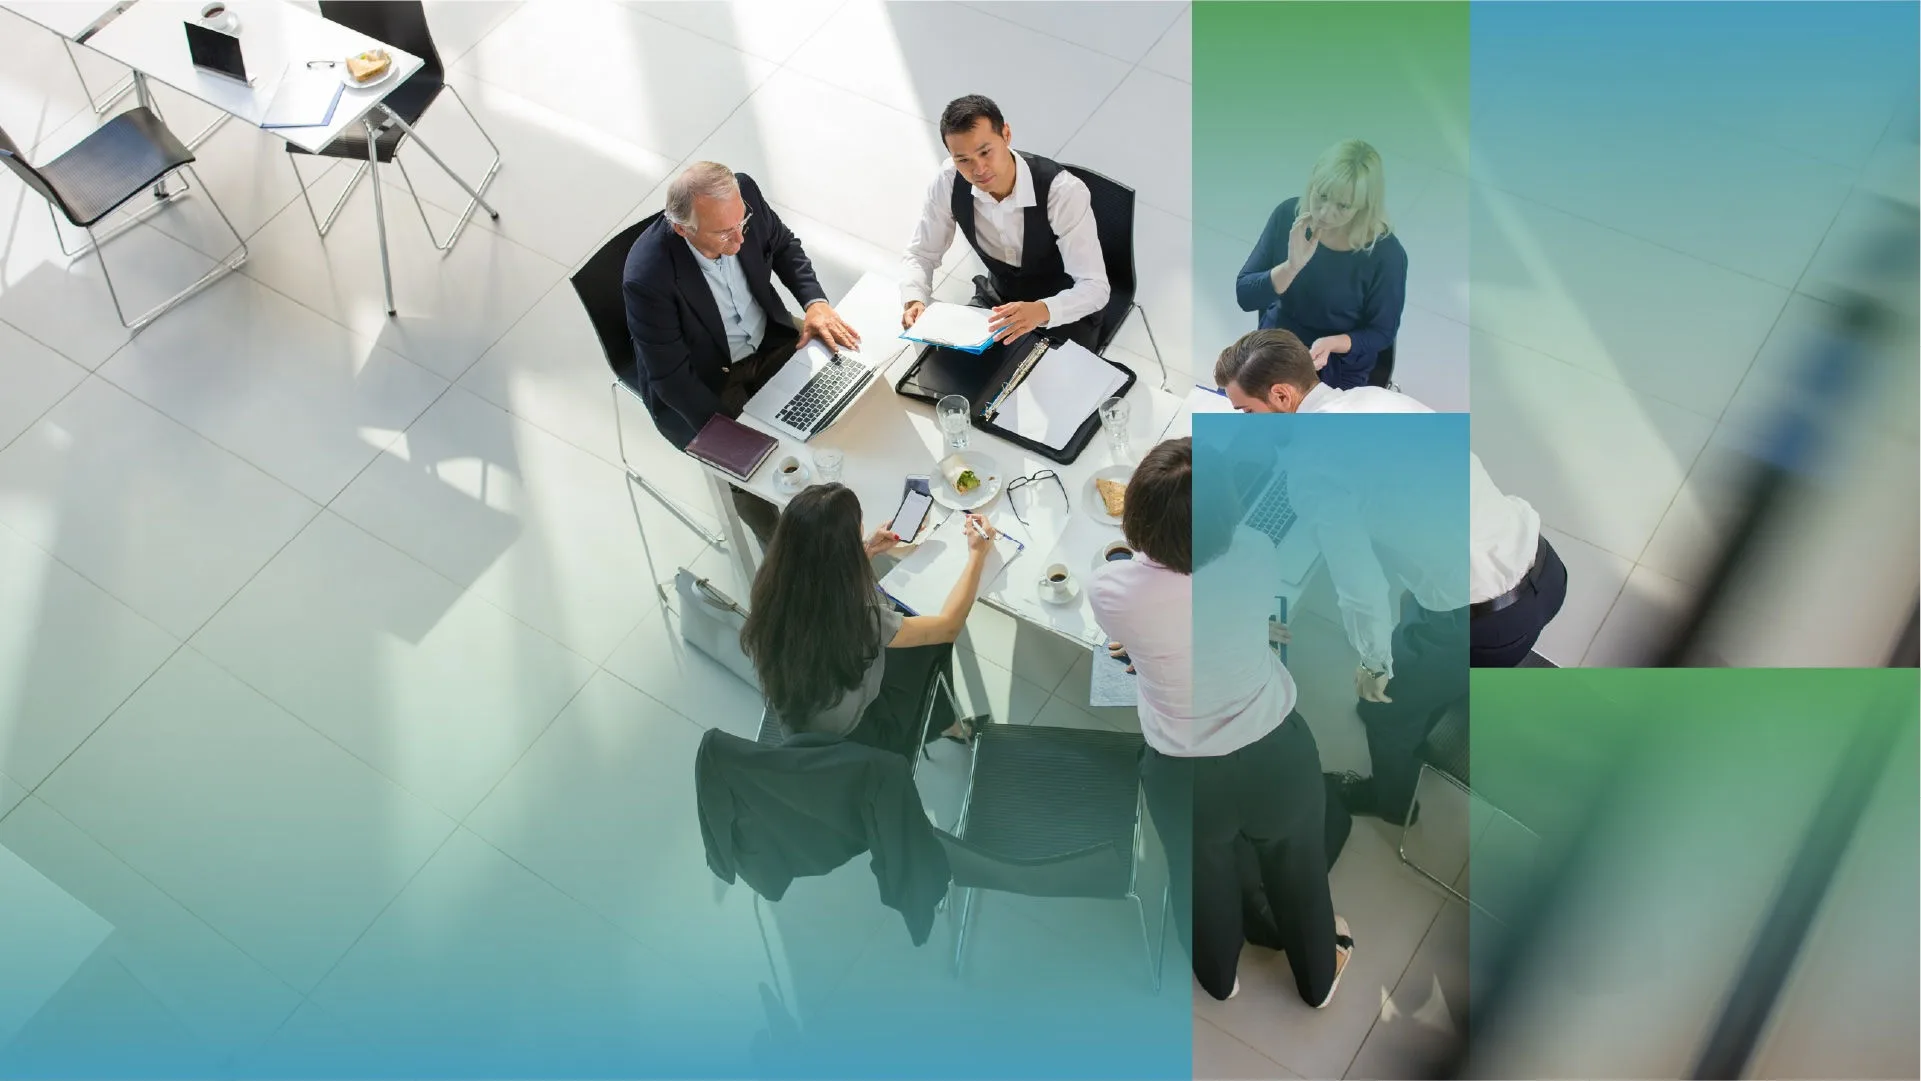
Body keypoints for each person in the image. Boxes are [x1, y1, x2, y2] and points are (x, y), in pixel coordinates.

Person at [1214, 329, 1571, 822]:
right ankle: (1453, 682)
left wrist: (1375, 664)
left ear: (1281, 395)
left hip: (1483, 623)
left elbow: (1362, 591)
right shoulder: (1375, 397)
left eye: (1246, 413)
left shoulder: (1313, 470)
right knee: (1419, 619)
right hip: (1545, 568)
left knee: (1380, 710)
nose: (1245, 425)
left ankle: (1392, 805)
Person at [1089, 438, 1355, 1008]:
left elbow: (1134, 617)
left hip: (1183, 775)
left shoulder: (1111, 589)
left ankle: (1218, 979)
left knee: (1197, 878)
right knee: (1301, 875)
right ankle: (1318, 979)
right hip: (1275, 753)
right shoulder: (1256, 551)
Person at [623, 162, 861, 545]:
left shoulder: (743, 194)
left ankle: (847, 504)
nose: (738, 241)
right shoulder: (647, 277)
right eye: (723, 233)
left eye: (742, 225)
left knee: (841, 383)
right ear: (683, 229)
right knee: (757, 477)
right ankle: (787, 556)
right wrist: (737, 441)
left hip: (769, 339)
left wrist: (814, 302)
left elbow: (783, 245)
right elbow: (673, 381)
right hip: (706, 381)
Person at [739, 484, 990, 756]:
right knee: (933, 640)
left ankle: (943, 723)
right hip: (862, 737)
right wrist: (978, 554)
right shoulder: (857, 618)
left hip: (803, 716)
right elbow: (949, 626)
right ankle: (943, 725)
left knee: (912, 629)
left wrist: (866, 549)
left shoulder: (770, 586)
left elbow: (818, 574)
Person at [900, 94, 1110, 350]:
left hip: (1062, 311)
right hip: (997, 302)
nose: (978, 169)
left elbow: (1095, 288)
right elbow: (921, 253)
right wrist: (914, 298)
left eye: (985, 152)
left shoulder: (1062, 191)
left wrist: (1040, 310)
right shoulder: (949, 180)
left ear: (1006, 135)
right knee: (949, 371)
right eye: (963, 159)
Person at [1235, 139, 1407, 389]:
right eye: (1322, 196)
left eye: (1343, 206)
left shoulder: (1386, 254)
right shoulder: (1287, 216)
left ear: (1364, 206)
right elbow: (1245, 296)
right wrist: (1291, 267)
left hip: (1337, 361)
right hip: (1278, 345)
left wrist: (1333, 343)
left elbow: (1381, 332)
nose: (1325, 213)